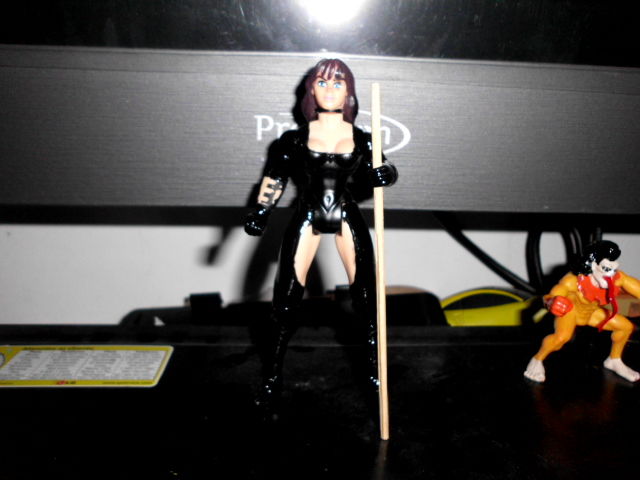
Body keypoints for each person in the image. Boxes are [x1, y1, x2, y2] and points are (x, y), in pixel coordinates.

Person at [244, 58, 397, 418]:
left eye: (338, 83)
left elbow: (383, 170)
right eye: (323, 83)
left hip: (345, 213)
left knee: (367, 296)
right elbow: (275, 178)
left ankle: (375, 372)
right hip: (308, 214)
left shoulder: (363, 139)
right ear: (311, 90)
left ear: (349, 92)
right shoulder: (294, 140)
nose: (330, 89)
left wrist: (384, 173)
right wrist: (261, 211)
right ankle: (272, 375)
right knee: (285, 298)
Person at [524, 240, 640, 383]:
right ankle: (537, 360)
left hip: (592, 313)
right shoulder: (573, 281)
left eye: (613, 268)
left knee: (625, 327)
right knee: (561, 338)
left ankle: (614, 360)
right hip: (571, 311)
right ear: (593, 265)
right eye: (606, 268)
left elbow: (637, 288)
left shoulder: (616, 278)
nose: (611, 274)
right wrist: (551, 302)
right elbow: (551, 296)